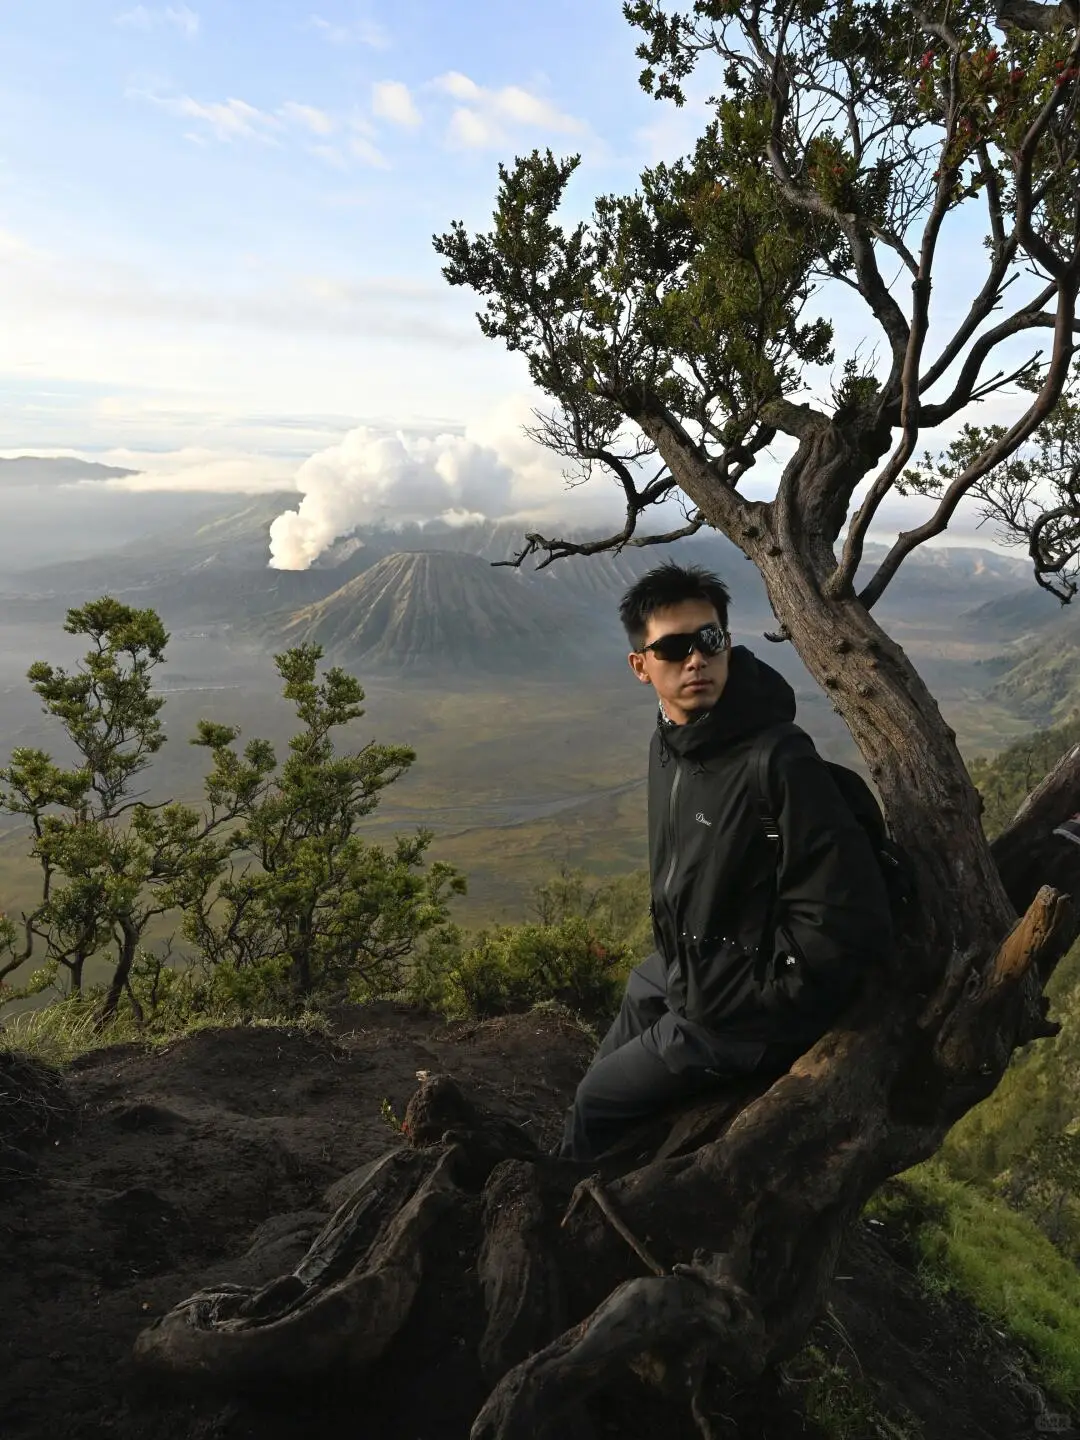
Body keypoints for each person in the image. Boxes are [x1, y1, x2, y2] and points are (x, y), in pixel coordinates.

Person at [559, 561, 894, 1161]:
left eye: (709, 640)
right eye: (674, 647)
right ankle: (618, 1159)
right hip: (702, 967)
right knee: (641, 990)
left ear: (728, 644)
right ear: (641, 667)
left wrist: (758, 1002)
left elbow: (844, 919)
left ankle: (581, 1220)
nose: (696, 659)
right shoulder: (672, 743)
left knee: (595, 1101)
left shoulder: (777, 759)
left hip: (746, 1010)